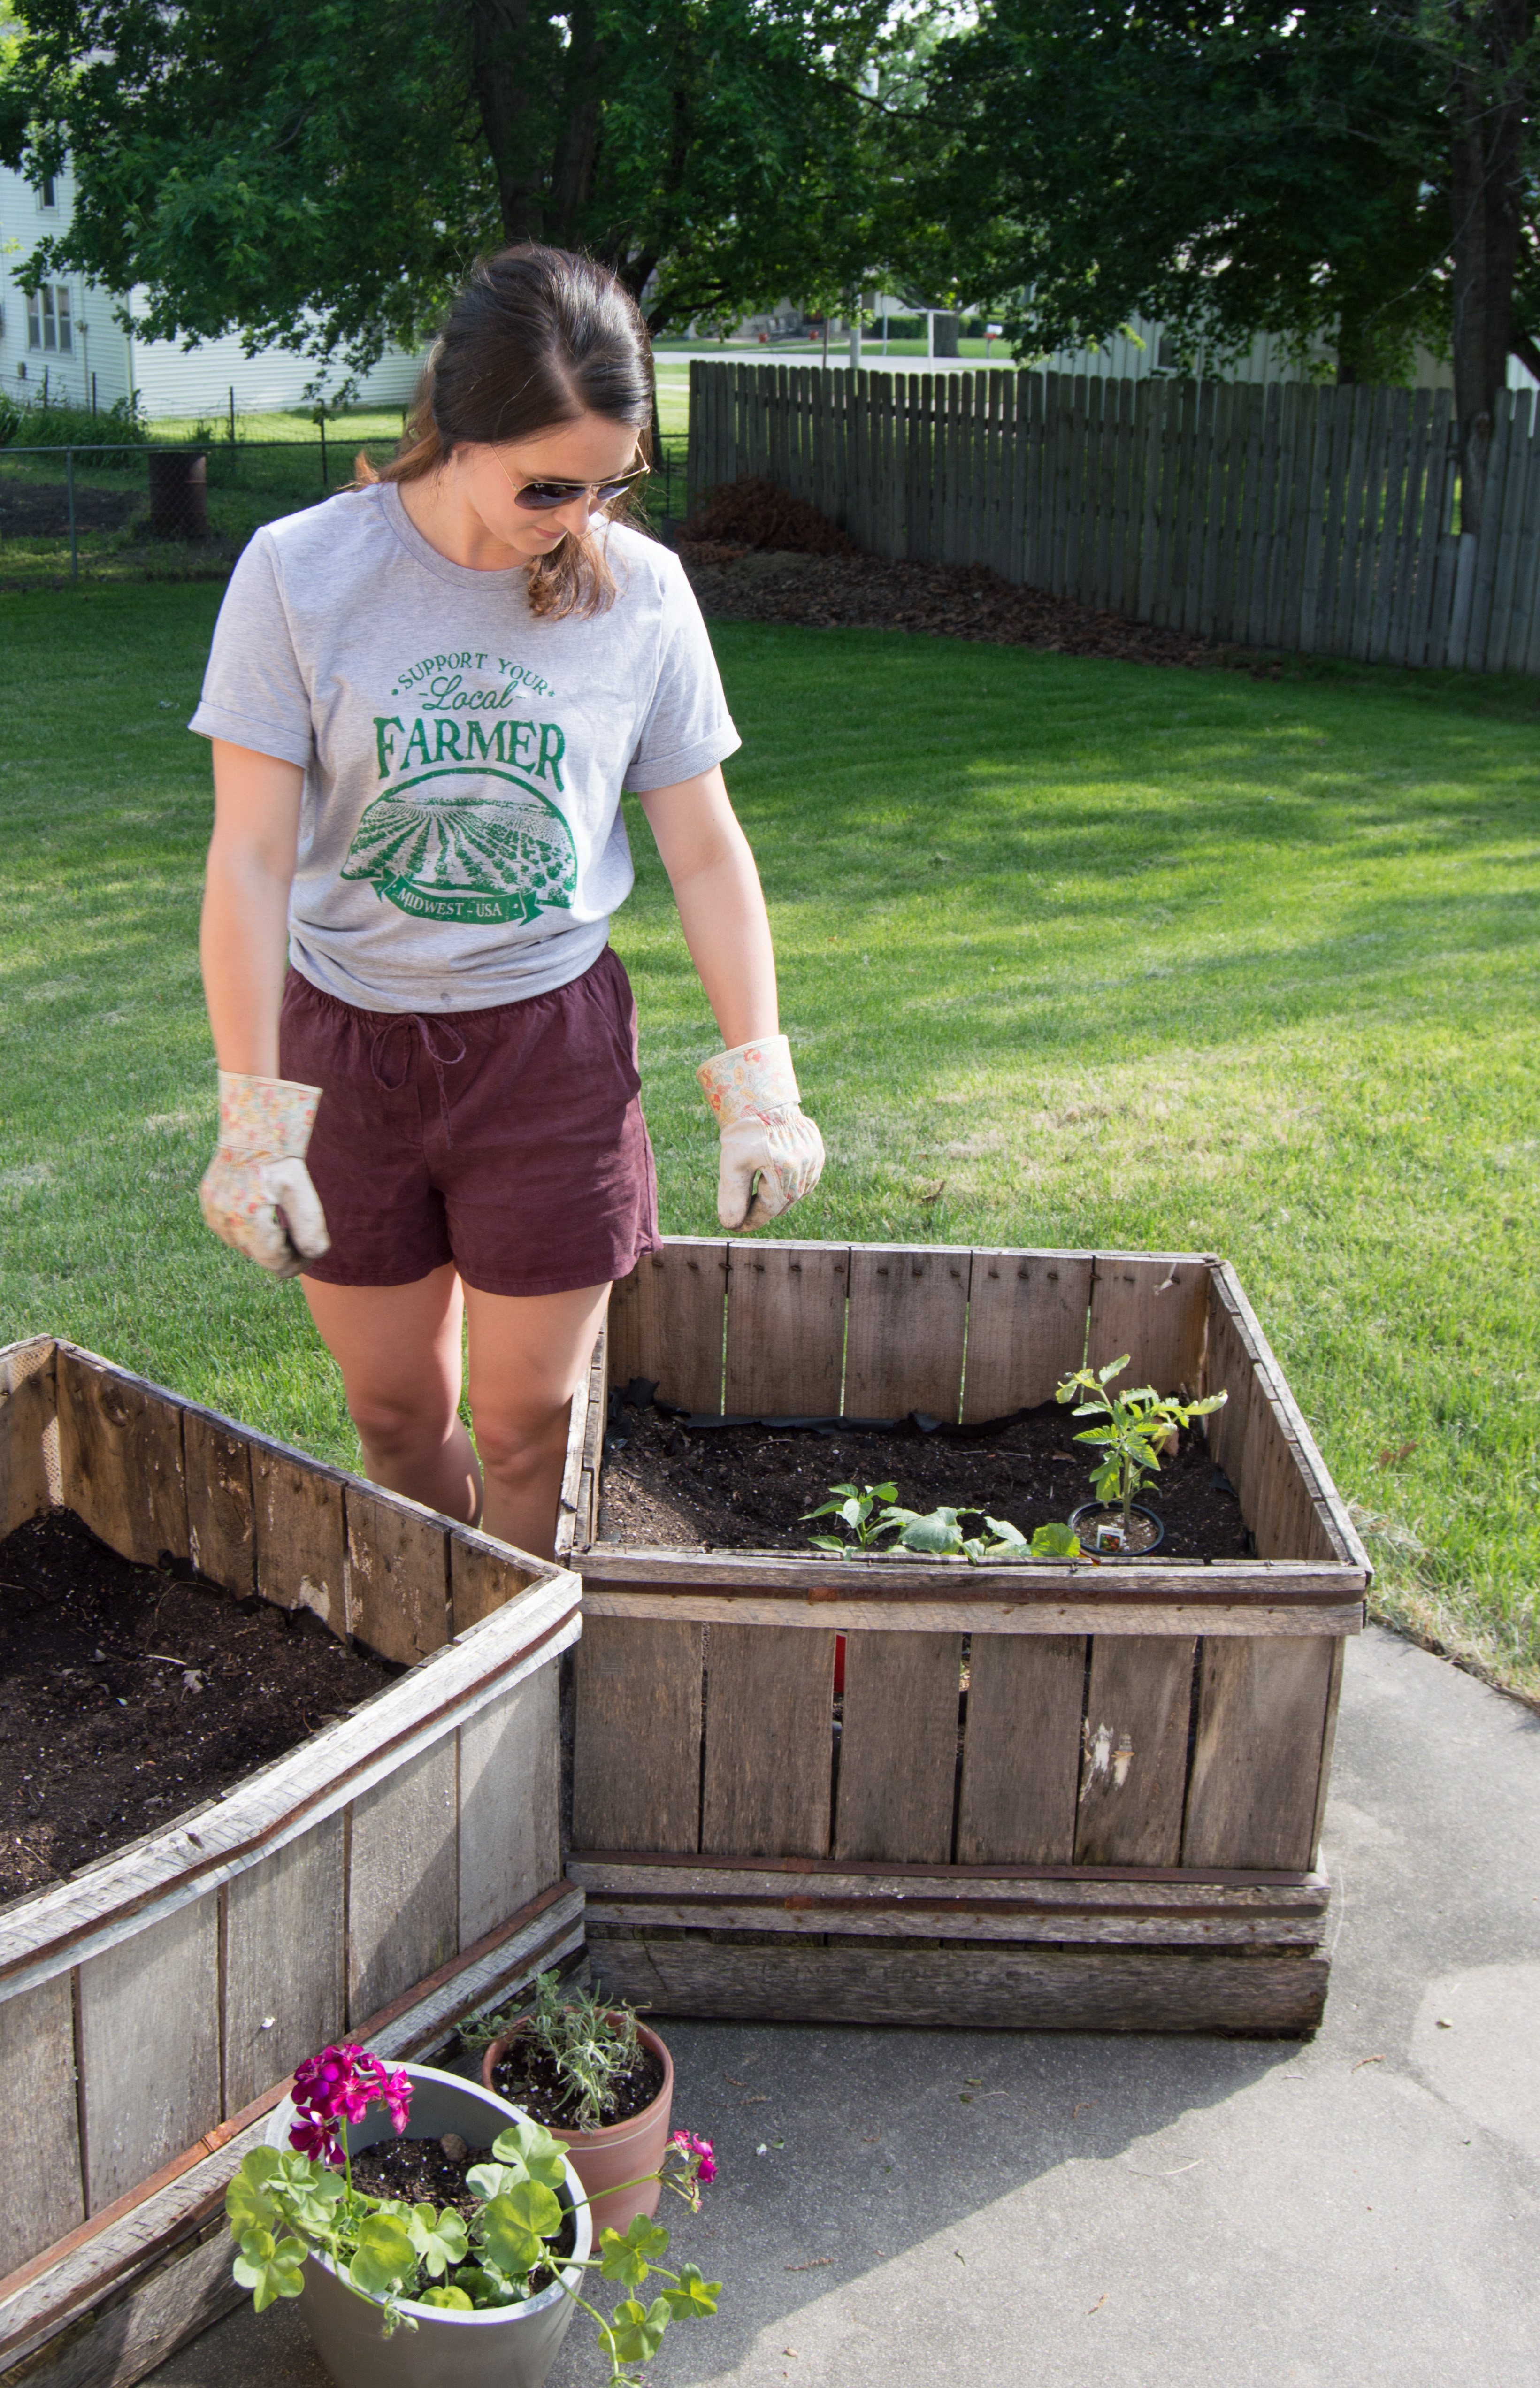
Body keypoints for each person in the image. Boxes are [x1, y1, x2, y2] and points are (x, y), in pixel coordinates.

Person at [192, 244, 824, 1560]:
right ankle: (447, 1640)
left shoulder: (641, 594)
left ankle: (521, 1655)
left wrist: (760, 1075)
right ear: (454, 428)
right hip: (347, 1049)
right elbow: (249, 858)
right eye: (549, 484)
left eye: (614, 480)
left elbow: (703, 849)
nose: (582, 514)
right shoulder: (300, 572)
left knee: (530, 1420)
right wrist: (254, 1118)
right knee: (391, 1412)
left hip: (548, 1051)